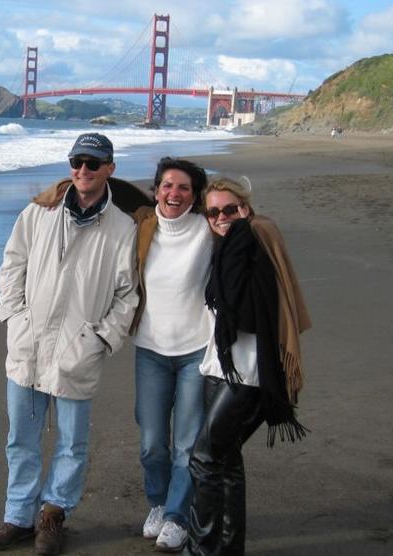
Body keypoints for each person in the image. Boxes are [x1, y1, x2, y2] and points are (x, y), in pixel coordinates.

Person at [0, 133, 140, 556]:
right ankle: (18, 517)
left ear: (110, 167)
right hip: (28, 345)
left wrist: (100, 339)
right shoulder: (40, 212)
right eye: (77, 161)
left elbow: (128, 294)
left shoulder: (123, 228)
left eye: (93, 162)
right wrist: (13, 316)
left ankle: (52, 516)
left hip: (78, 350)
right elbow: (12, 262)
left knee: (72, 443)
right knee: (21, 437)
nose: (83, 170)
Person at [186, 177, 311, 556]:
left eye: (229, 209)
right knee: (225, 460)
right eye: (213, 212)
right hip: (219, 369)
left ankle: (201, 549)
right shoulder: (225, 250)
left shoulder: (254, 239)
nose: (221, 217)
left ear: (245, 207)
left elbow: (243, 312)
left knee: (204, 457)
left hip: (251, 373)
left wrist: (240, 228)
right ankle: (228, 548)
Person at [129, 157, 214, 552]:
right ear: (156, 190)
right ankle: (158, 504)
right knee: (151, 441)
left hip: (196, 349)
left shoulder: (208, 229)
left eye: (183, 187)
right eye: (166, 186)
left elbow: (248, 222)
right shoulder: (142, 227)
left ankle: (178, 516)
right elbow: (97, 202)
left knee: (186, 443)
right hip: (150, 349)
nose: (173, 194)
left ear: (195, 195)